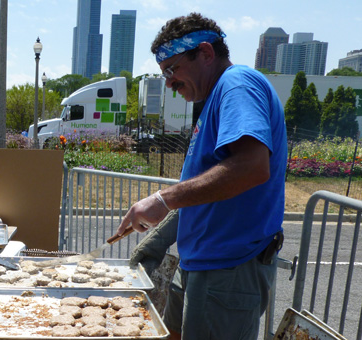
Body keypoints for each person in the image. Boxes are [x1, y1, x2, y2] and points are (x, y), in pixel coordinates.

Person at [117, 13, 286, 340]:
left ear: (206, 54)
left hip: (228, 271)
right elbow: (207, 192)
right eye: (163, 73)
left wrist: (164, 199)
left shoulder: (237, 84)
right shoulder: (213, 100)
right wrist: (159, 235)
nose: (168, 82)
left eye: (172, 69)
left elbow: (252, 166)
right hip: (201, 265)